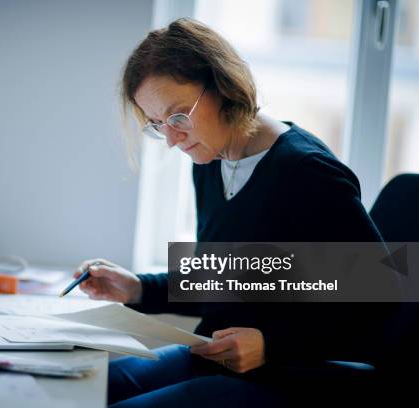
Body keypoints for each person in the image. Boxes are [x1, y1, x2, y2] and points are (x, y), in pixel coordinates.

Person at [74, 18, 391, 407]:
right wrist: (139, 288)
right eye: (158, 124)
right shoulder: (209, 159)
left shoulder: (305, 172)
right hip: (219, 357)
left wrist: (271, 345)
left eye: (178, 116)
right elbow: (233, 278)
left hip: (289, 376)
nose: (172, 139)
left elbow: (382, 300)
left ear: (223, 86)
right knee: (83, 389)